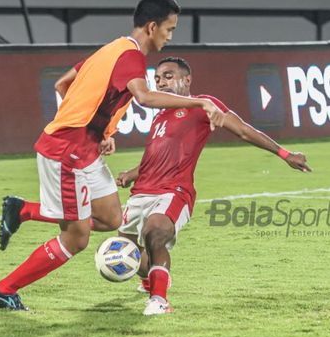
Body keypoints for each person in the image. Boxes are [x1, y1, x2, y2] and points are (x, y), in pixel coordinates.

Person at [0, 0, 226, 311]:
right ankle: (3, 289)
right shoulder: (131, 57)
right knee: (77, 238)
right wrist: (199, 101)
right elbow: (145, 98)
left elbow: (63, 84)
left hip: (84, 149)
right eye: (169, 29)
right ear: (152, 27)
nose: (169, 37)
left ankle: (23, 210)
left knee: (111, 217)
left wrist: (99, 131)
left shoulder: (112, 49)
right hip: (67, 152)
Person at [115, 57, 311, 316]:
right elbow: (156, 156)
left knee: (155, 232)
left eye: (168, 76)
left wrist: (284, 154)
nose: (161, 81)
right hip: (142, 192)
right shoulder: (160, 115)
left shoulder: (203, 106)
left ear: (187, 80)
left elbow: (242, 130)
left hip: (174, 191)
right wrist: (132, 173)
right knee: (126, 252)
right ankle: (150, 277)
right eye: (158, 78)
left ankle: (159, 300)